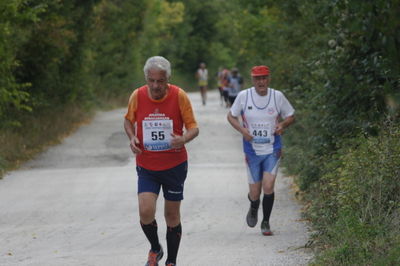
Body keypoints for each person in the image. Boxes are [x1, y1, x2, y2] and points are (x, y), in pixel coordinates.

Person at [124, 56, 199, 266]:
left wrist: (183, 138)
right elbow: (128, 121)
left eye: (160, 81)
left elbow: (194, 127)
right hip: (147, 164)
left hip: (174, 165)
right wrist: (132, 137)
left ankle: (172, 262)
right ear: (146, 78)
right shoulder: (137, 96)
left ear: (168, 79)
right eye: (151, 80)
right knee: (146, 211)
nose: (156, 86)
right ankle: (156, 248)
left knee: (171, 215)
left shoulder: (179, 96)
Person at [227, 65, 295, 236]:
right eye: (258, 79)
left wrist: (282, 125)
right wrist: (243, 131)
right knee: (255, 192)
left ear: (268, 79)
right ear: (253, 80)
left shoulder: (277, 96)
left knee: (269, 185)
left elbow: (291, 116)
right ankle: (254, 205)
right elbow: (231, 116)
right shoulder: (244, 96)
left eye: (264, 78)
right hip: (252, 151)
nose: (261, 82)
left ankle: (265, 222)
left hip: (273, 148)